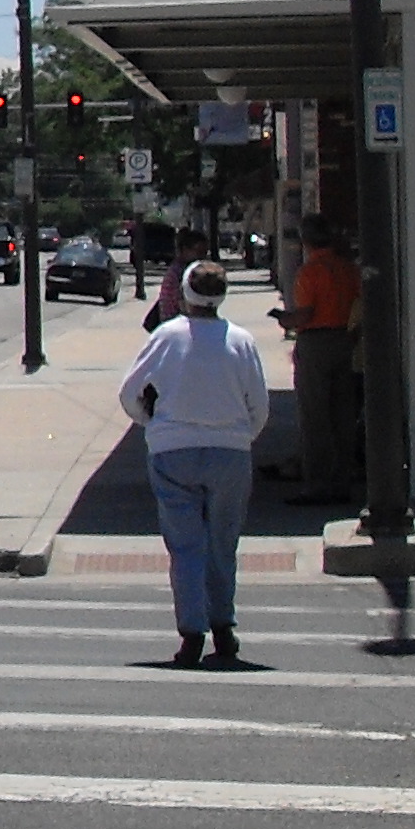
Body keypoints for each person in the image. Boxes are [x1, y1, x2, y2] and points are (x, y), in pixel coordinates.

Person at [117, 258, 272, 667]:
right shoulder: (241, 340)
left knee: (186, 546)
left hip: (173, 450)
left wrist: (151, 422)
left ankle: (191, 633)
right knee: (223, 542)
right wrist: (240, 436)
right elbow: (259, 405)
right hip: (230, 452)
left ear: (186, 293)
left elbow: (129, 391)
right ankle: (224, 627)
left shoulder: (167, 336)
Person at [270, 214, 363, 506]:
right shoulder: (349, 270)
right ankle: (342, 480)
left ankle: (316, 484)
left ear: (305, 241)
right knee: (343, 416)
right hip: (345, 339)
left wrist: (284, 319)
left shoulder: (310, 272)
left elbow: (305, 314)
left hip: (315, 342)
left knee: (314, 417)